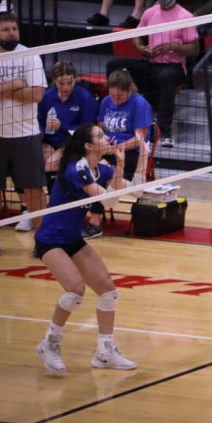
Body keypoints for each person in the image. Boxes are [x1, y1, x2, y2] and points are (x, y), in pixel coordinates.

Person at [33, 123, 138, 374]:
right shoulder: (76, 168)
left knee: (108, 292)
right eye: (100, 136)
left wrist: (122, 167)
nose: (107, 138)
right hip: (50, 239)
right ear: (88, 145)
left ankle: (105, 352)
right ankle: (49, 343)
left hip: (72, 238)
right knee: (75, 291)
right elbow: (109, 199)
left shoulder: (100, 168)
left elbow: (120, 187)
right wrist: (124, 181)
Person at [0, 12, 47, 256]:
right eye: (6, 29)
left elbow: (37, 95)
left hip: (25, 133)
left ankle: (43, 239)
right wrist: (15, 84)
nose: (11, 33)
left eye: (14, 29)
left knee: (33, 189)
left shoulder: (29, 55)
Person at [107, 0, 198, 148]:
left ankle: (165, 132)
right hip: (151, 63)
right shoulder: (150, 13)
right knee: (114, 65)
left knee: (166, 77)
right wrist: (142, 48)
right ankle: (114, 116)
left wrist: (173, 46)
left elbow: (194, 48)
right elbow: (136, 37)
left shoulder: (186, 16)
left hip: (174, 66)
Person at [86, 69, 151, 238]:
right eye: (112, 95)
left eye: (120, 96)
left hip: (131, 153)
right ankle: (75, 216)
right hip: (107, 149)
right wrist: (103, 142)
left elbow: (140, 139)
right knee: (86, 166)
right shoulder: (107, 101)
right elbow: (100, 126)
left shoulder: (140, 104)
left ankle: (94, 222)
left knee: (99, 170)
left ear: (130, 90)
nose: (115, 99)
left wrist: (116, 148)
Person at [38, 60, 99, 177]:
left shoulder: (85, 97)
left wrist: (62, 127)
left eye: (70, 82)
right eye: (61, 83)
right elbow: (38, 124)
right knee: (36, 158)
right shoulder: (46, 97)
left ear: (75, 78)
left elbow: (87, 131)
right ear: (54, 80)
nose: (66, 87)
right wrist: (43, 142)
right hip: (49, 143)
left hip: (73, 143)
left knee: (51, 164)